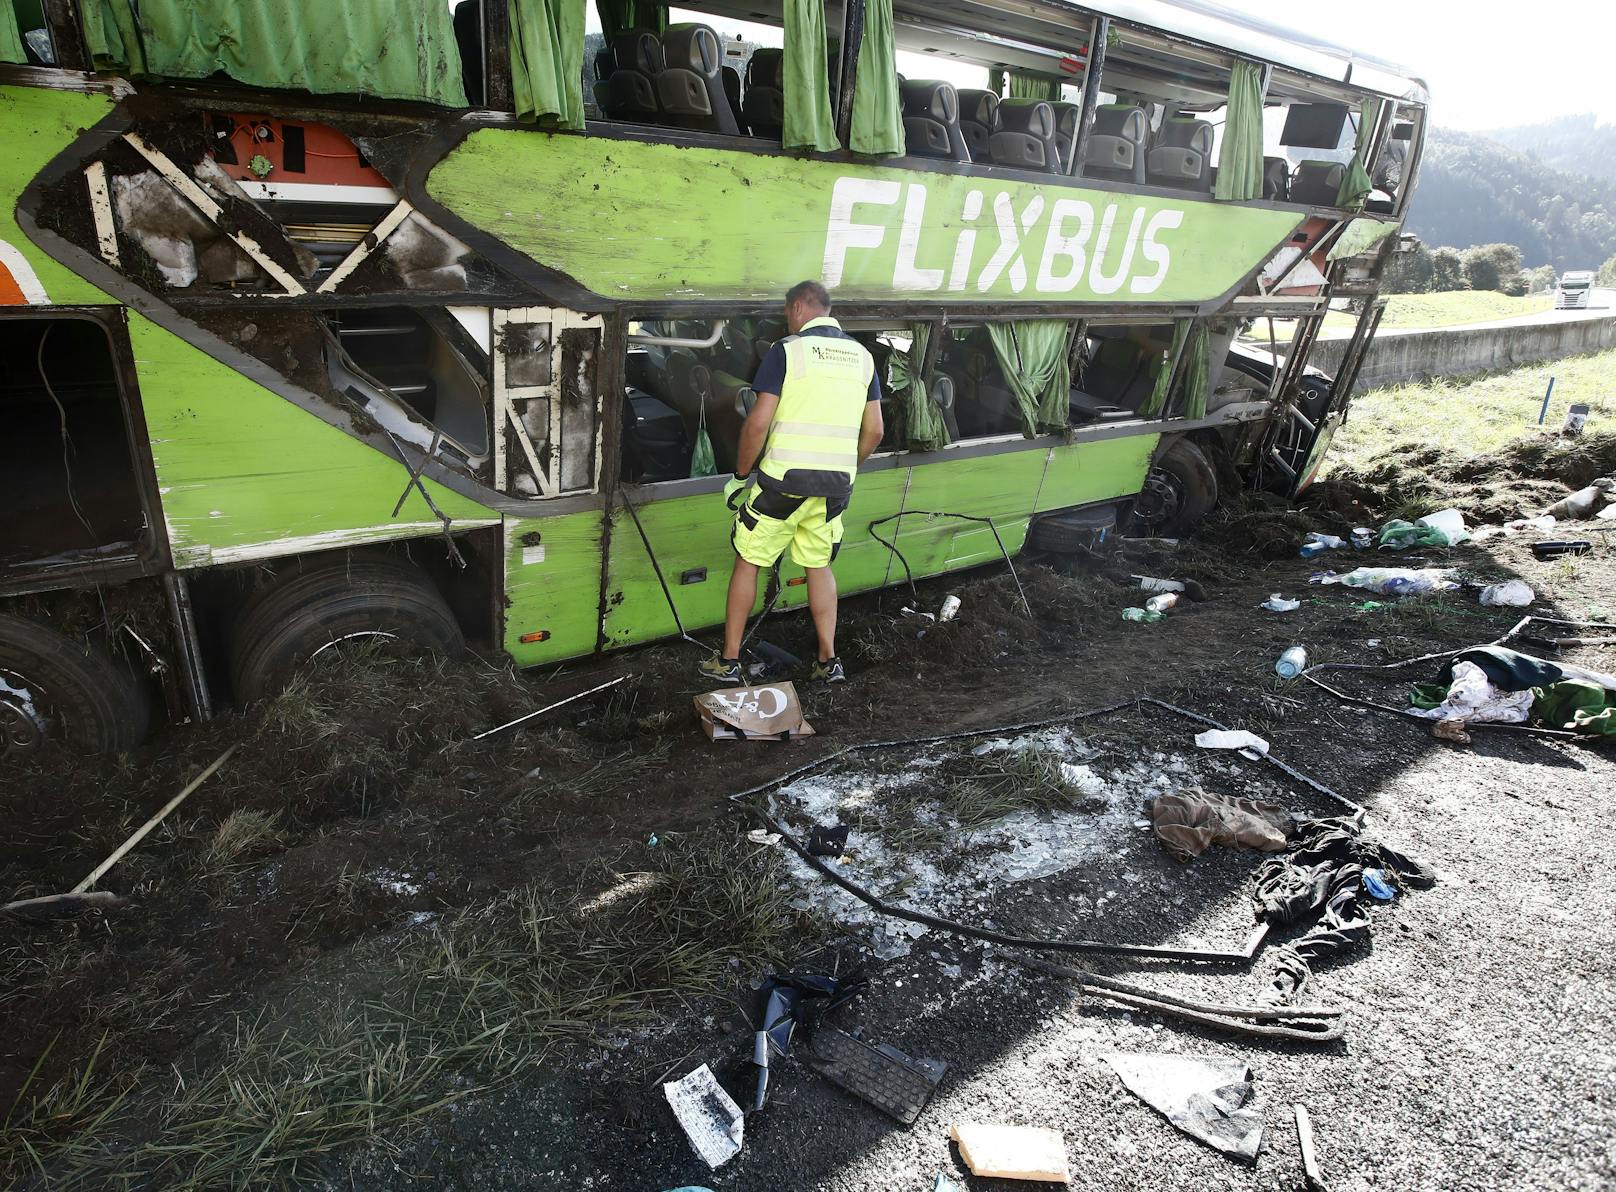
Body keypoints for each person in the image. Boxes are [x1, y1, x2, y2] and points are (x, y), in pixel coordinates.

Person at [699, 280, 884, 685]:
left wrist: (740, 476)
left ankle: (728, 661)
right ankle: (828, 661)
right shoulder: (863, 357)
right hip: (834, 488)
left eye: (787, 312)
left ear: (799, 307)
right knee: (819, 566)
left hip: (782, 485)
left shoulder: (788, 350)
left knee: (749, 561)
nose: (788, 319)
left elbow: (758, 423)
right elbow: (875, 431)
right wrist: (846, 467)